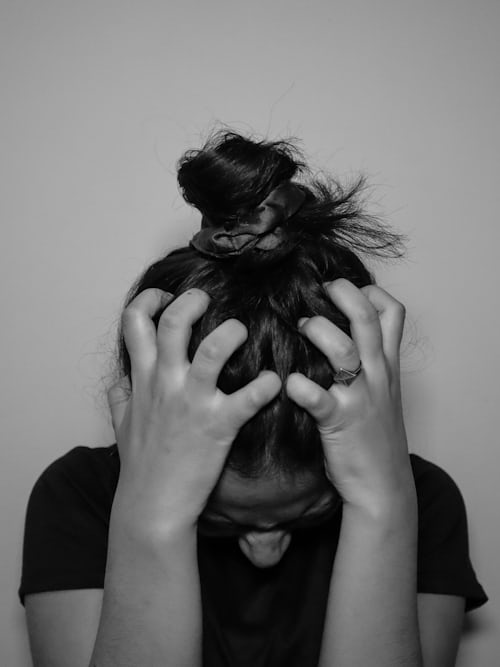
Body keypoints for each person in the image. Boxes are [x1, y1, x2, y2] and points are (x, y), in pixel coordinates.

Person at [19, 131, 487, 667]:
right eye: (219, 520)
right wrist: (153, 518)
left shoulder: (422, 500)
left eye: (310, 514)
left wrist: (383, 507)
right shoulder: (78, 496)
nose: (265, 552)